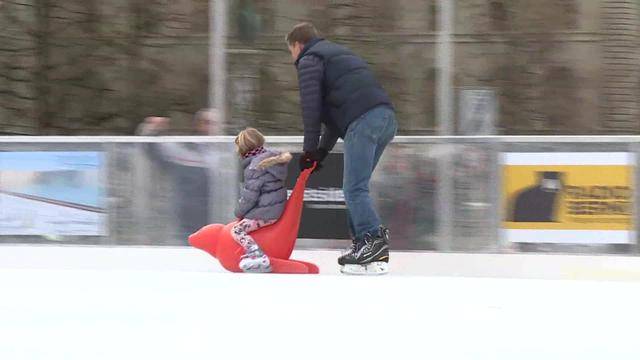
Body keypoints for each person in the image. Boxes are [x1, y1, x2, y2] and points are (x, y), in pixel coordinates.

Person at [286, 22, 397, 274]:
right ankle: (363, 247)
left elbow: (311, 111)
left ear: (297, 45)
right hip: (385, 118)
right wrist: (321, 151)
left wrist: (308, 151)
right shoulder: (335, 55)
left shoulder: (309, 60)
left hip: (364, 120)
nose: (292, 57)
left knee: (353, 188)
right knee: (357, 187)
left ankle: (372, 241)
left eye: (290, 50)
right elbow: (336, 118)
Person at [136, 109, 221, 243]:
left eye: (216, 123)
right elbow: (151, 148)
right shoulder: (184, 150)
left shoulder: (226, 152)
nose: (212, 127)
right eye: (207, 122)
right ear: (198, 124)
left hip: (219, 220)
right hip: (186, 221)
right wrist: (152, 130)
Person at [233, 127, 293, 272]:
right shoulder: (269, 159)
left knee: (237, 230)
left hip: (266, 212)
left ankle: (257, 255)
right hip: (273, 208)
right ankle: (255, 253)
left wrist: (238, 212)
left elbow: (249, 197)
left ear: (242, 149)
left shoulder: (254, 167)